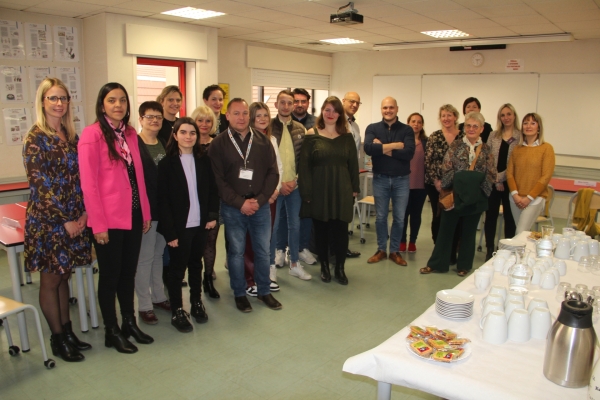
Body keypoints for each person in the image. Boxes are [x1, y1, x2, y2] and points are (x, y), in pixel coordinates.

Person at [79, 82, 153, 354]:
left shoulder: (130, 133)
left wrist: (145, 211)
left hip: (133, 214)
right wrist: (97, 225)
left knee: (127, 273)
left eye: (122, 100)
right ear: (102, 105)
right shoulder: (92, 135)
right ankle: (112, 331)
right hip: (107, 220)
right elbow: (89, 185)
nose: (118, 105)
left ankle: (129, 323)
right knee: (110, 276)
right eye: (112, 100)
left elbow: (138, 177)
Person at [23, 78, 91, 362]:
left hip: (76, 218)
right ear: (42, 102)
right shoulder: (35, 138)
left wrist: (85, 214)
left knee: (64, 275)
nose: (59, 103)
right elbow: (41, 186)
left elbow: (84, 178)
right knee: (51, 280)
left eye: (63, 98)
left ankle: (68, 330)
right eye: (53, 98)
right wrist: (65, 221)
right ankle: (57, 338)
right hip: (49, 223)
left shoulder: (72, 136)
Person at [208, 98, 282, 313]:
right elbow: (218, 180)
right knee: (236, 253)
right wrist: (240, 203)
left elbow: (273, 172)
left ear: (249, 116)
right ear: (227, 116)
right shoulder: (218, 144)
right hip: (233, 208)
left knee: (262, 251)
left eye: (244, 113)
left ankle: (264, 291)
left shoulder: (262, 140)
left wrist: (258, 201)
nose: (241, 117)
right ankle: (240, 293)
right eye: (236, 113)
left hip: (260, 206)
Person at [157, 117, 219, 333]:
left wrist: (212, 215)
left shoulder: (204, 161)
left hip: (200, 224)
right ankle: (177, 310)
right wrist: (170, 232)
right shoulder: (166, 164)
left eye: (192, 133)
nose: (188, 136)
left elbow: (212, 190)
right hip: (179, 227)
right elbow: (162, 201)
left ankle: (196, 303)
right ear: (175, 135)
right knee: (176, 270)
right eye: (183, 132)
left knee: (196, 265)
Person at [420, 112, 496, 276]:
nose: (471, 129)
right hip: (454, 196)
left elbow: (491, 174)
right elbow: (446, 168)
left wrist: (479, 193)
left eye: (475, 126)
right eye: (468, 125)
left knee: (468, 233)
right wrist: (453, 188)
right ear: (464, 127)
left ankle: (464, 265)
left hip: (475, 197)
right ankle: (437, 263)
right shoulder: (455, 146)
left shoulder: (487, 151)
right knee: (445, 230)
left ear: (482, 129)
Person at [299, 96, 360, 284]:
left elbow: (353, 165)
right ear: (322, 112)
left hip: (342, 188)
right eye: (327, 110)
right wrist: (307, 192)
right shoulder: (312, 134)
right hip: (319, 189)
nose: (331, 114)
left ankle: (340, 268)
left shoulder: (347, 136)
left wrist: (355, 189)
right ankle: (324, 266)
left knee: (341, 231)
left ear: (340, 114)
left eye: (335, 110)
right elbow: (304, 167)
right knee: (322, 231)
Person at [364, 97, 415, 266]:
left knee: (399, 218)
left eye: (391, 107)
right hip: (381, 179)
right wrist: (394, 146)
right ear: (381, 109)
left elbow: (408, 153)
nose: (388, 110)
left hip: (402, 180)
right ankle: (380, 250)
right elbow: (369, 149)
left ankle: (394, 251)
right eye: (385, 107)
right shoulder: (372, 128)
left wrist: (383, 147)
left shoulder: (407, 130)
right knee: (380, 217)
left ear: (397, 109)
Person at [135, 101, 171, 325]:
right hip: (145, 210)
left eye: (158, 117)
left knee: (158, 255)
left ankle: (158, 297)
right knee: (145, 258)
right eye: (150, 117)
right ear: (140, 119)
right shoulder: (135, 144)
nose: (155, 120)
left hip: (162, 209)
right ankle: (144, 305)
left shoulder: (163, 143)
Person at [270, 90, 311, 280]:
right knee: (274, 225)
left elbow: (304, 159)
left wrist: (296, 180)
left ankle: (294, 263)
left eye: (290, 103)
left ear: (293, 105)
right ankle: (271, 263)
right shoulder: (268, 127)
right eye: (283, 102)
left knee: (295, 225)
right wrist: (279, 184)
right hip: (274, 188)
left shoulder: (300, 129)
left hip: (294, 186)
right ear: (276, 104)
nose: (286, 106)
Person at [244, 102, 283, 296]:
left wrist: (274, 191)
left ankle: (263, 277)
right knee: (250, 240)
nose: (262, 119)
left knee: (264, 240)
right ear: (251, 118)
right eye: (258, 115)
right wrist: (262, 196)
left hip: (270, 198)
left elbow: (278, 168)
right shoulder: (245, 140)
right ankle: (249, 280)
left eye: (265, 115)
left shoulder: (272, 140)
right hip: (253, 199)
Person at [424, 104, 463, 262]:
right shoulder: (435, 136)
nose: (446, 118)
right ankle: (439, 249)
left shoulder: (464, 136)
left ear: (455, 117)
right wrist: (436, 181)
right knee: (438, 217)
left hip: (458, 185)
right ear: (440, 119)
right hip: (436, 185)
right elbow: (428, 160)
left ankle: (453, 251)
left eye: (449, 115)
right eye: (443, 116)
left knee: (456, 218)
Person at [507, 113, 555, 234]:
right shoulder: (517, 149)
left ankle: (520, 253)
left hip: (535, 199)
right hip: (515, 199)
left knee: (520, 232)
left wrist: (529, 198)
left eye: (533, 123)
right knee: (523, 233)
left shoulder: (546, 148)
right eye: (525, 123)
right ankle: (526, 253)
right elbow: (509, 173)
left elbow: (546, 176)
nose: (528, 126)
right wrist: (515, 194)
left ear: (538, 127)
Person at [483, 104, 521, 260]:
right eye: (503, 115)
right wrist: (495, 178)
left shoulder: (520, 136)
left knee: (509, 218)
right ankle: (490, 249)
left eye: (509, 114)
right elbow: (488, 157)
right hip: (492, 182)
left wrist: (501, 178)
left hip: (511, 182)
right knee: (490, 216)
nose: (506, 117)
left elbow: (516, 162)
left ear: (514, 116)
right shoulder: (493, 135)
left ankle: (507, 250)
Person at [190, 105, 220, 299]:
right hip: (191, 200)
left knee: (210, 241)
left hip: (212, 200)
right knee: (194, 243)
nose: (204, 124)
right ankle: (194, 280)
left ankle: (207, 278)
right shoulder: (187, 142)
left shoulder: (218, 144)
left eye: (208, 121)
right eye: (200, 120)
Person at [290, 88, 318, 265]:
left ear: (308, 103)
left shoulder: (316, 123)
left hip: (310, 177)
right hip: (288, 178)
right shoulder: (282, 123)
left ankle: (304, 248)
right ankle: (285, 248)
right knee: (288, 216)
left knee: (307, 214)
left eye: (303, 101)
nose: (299, 105)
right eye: (296, 101)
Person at [400, 113, 428, 253]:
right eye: (413, 121)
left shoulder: (426, 142)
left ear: (422, 125)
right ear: (408, 123)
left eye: (419, 122)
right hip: (404, 184)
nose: (416, 124)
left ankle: (412, 241)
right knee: (403, 215)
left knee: (416, 215)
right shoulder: (402, 141)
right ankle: (402, 241)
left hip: (420, 186)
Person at [341, 91, 363, 259]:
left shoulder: (355, 126)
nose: (354, 105)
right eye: (351, 101)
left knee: (346, 215)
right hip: (337, 175)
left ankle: (343, 248)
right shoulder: (336, 122)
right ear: (344, 101)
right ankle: (331, 250)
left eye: (357, 103)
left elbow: (355, 156)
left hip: (350, 176)